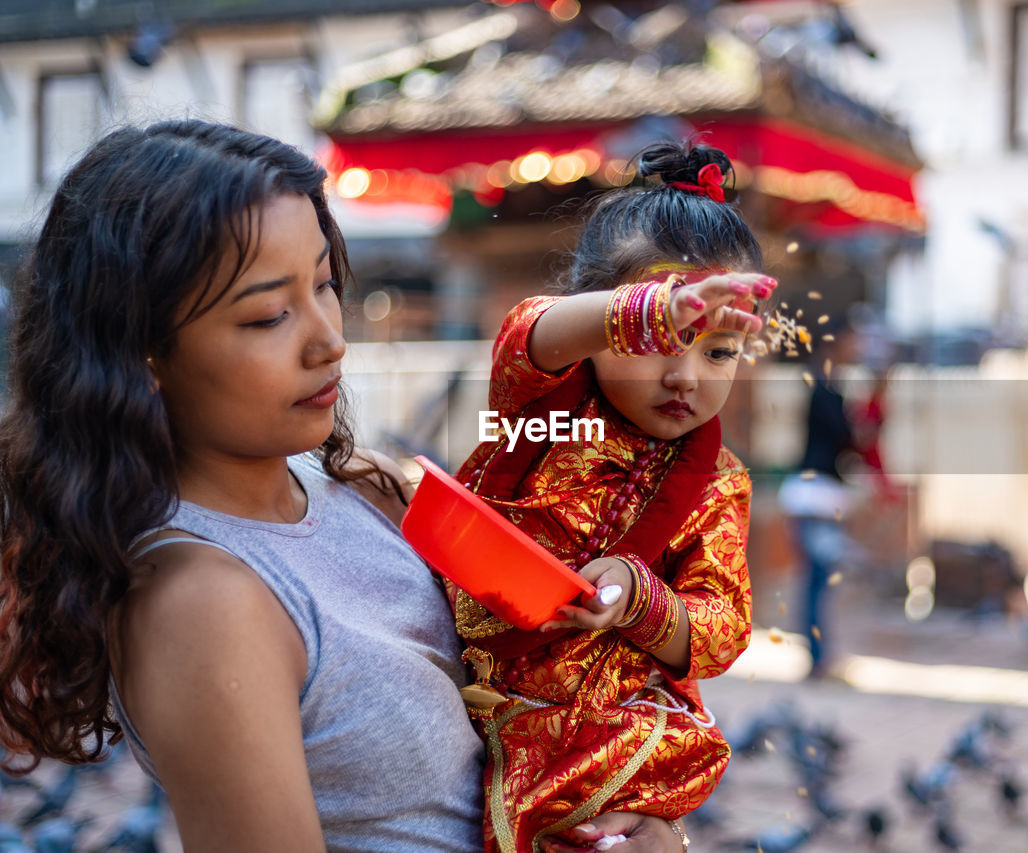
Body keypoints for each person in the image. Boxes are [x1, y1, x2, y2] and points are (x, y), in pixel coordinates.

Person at [0, 120, 686, 853]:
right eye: (269, 314)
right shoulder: (201, 600)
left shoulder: (359, 484)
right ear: (141, 354)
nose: (330, 337)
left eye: (324, 282)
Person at [447, 140, 776, 852]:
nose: (686, 375)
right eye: (661, 340)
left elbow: (723, 624)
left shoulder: (718, 481)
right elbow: (528, 332)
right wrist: (647, 308)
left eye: (717, 351)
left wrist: (640, 597)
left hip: (622, 731)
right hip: (489, 694)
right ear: (601, 323)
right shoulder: (543, 406)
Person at [777, 321, 868, 678]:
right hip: (815, 497)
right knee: (817, 580)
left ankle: (821, 654)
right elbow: (849, 439)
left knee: (819, 579)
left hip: (819, 495)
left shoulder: (829, 390)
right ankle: (817, 658)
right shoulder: (824, 392)